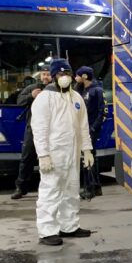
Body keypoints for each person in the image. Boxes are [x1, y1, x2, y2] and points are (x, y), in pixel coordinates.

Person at [30, 58, 95, 246]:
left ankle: (69, 226)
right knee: (50, 191)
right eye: (60, 74)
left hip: (72, 153)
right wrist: (43, 155)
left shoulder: (76, 98)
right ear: (53, 77)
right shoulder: (45, 98)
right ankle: (47, 231)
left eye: (67, 73)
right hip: (53, 154)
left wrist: (87, 150)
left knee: (71, 190)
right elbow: (39, 128)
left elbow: (83, 126)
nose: (65, 77)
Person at [11, 65, 52, 199]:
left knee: (53, 159)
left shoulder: (57, 89)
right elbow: (19, 101)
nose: (46, 77)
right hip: (33, 129)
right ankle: (21, 188)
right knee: (27, 157)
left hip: (53, 130)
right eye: (44, 74)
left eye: (48, 74)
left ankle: (51, 189)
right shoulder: (32, 88)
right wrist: (31, 96)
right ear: (40, 75)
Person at [75, 66, 107, 199]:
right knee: (90, 156)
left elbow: (102, 111)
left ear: (85, 76)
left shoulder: (97, 90)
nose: (75, 78)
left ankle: (90, 188)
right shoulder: (81, 90)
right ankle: (96, 186)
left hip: (91, 129)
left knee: (87, 157)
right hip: (83, 128)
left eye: (77, 75)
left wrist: (94, 128)